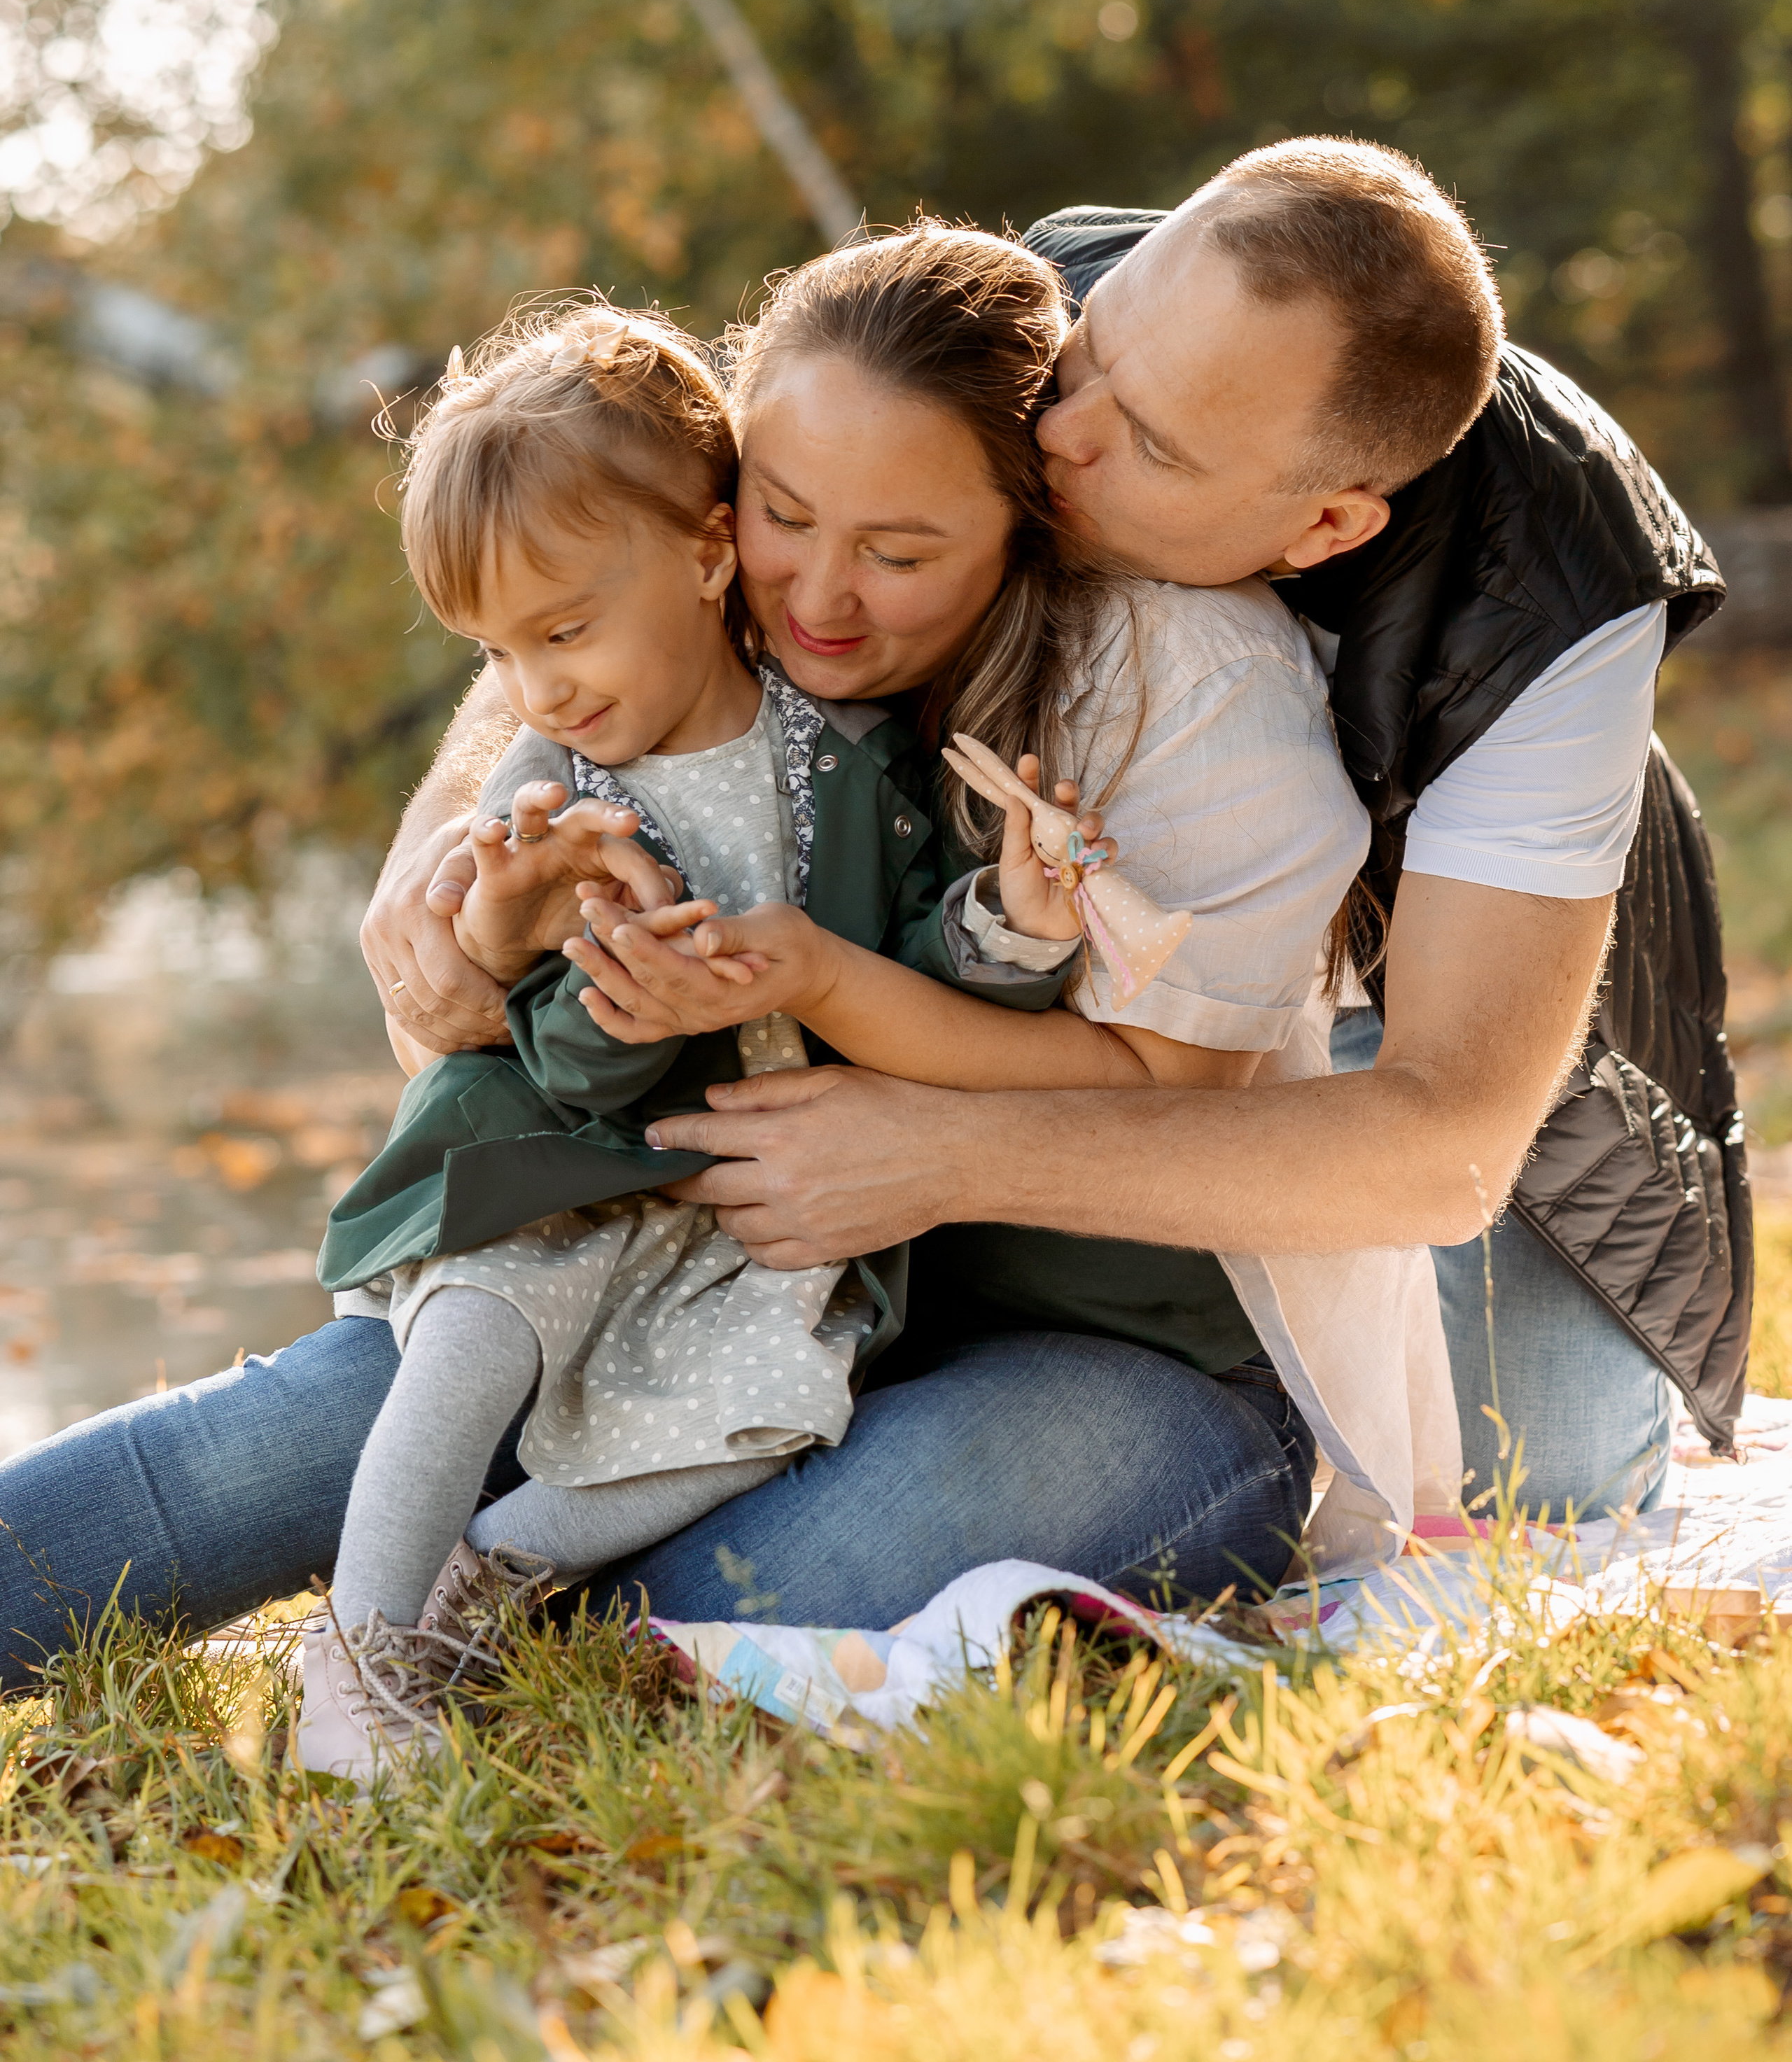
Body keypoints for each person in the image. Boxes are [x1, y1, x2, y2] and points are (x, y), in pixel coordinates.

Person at [0, 221, 1391, 1685]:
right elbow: (560, 614)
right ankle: (402, 1620)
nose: (815, 600)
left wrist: (903, 1117)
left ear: (1031, 513)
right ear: (720, 509)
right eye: (781, 517)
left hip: (1096, 1354)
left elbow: (1167, 1080)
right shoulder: (733, 599)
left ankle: (430, 1652)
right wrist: (461, 901)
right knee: (311, 1430)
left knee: (715, 1605)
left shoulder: (1175, 684)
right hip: (713, 1281)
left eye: (902, 552)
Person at [638, 143, 1744, 1526]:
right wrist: (445, 824)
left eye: (1150, 444)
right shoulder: (1071, 315)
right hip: (1137, 926)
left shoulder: (1552, 606)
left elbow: (1445, 1145)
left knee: (1534, 1478)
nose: (1060, 432)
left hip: (1456, 958)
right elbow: (724, 497)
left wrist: (938, 1151)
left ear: (1325, 524)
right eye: (1091, 358)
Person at [297, 286, 1091, 1779]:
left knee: (768, 1415)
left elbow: (917, 966)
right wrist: (583, 975)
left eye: (565, 631)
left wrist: (1017, 926)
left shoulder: (840, 760)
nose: (540, 688)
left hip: (748, 1223)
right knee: (473, 1346)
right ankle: (355, 1657)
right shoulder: (547, 798)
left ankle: (485, 1589)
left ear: (706, 550)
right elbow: (544, 1062)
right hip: (565, 1178)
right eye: (501, 651)